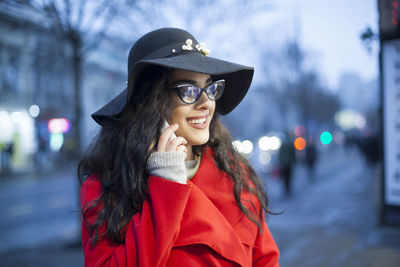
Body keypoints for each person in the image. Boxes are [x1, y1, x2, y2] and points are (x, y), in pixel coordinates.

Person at [79, 28, 280, 267]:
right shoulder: (108, 187)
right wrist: (166, 185)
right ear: (150, 103)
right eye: (188, 90)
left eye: (210, 87)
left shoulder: (236, 173)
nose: (206, 102)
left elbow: (266, 260)